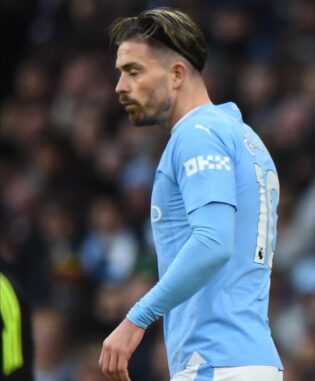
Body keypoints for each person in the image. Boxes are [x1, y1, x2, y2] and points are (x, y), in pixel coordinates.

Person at [100, 8, 283, 381]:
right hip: (245, 359)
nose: (120, 86)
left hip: (216, 363)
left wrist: (135, 319)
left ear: (177, 74)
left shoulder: (197, 135)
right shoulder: (241, 136)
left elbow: (213, 242)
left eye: (133, 71)